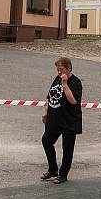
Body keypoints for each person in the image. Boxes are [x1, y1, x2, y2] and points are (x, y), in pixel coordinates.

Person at [41, 56, 82, 184]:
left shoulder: (75, 82)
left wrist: (65, 85)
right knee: (46, 141)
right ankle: (53, 169)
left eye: (62, 69)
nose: (59, 72)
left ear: (69, 68)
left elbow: (73, 101)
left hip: (69, 120)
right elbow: (50, 96)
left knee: (67, 149)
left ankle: (63, 174)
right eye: (57, 70)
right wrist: (46, 111)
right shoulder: (57, 78)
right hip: (55, 118)